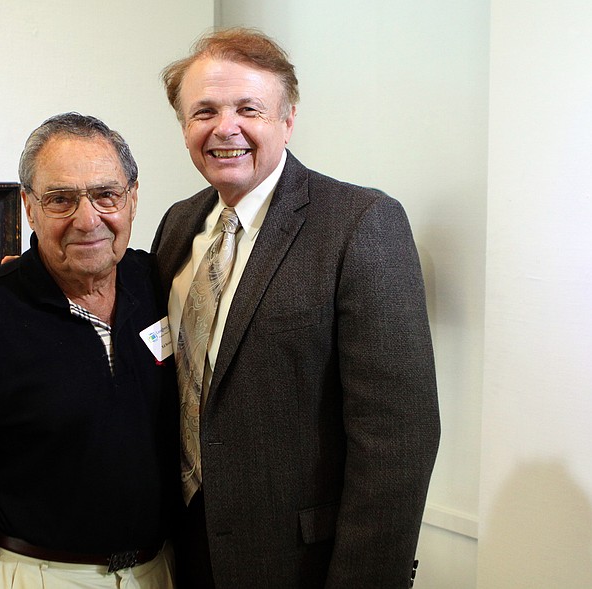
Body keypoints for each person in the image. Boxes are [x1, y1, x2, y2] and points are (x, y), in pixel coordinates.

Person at [150, 28, 441, 588]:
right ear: (185, 128)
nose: (224, 127)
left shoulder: (360, 223)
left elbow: (398, 440)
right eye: (203, 111)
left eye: (248, 108)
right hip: (182, 550)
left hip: (300, 564)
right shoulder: (177, 225)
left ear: (287, 119)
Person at [0, 113, 178, 589]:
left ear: (133, 198)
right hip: (41, 574)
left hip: (161, 570)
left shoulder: (160, 284)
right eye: (61, 200)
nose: (88, 219)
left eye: (106, 195)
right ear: (29, 206)